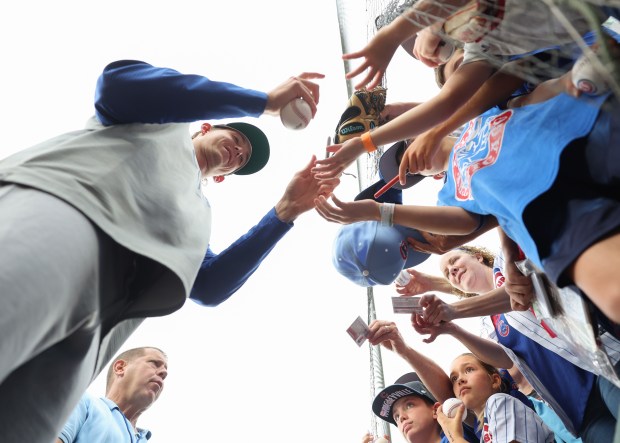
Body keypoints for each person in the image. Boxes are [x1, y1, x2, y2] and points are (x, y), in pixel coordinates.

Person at [0, 59, 331, 441]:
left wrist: (284, 212)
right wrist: (261, 103)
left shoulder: (197, 216)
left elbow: (208, 286)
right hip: (55, 224)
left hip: (94, 330)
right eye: (237, 139)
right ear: (206, 125)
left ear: (224, 176)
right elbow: (117, 84)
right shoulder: (162, 122)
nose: (239, 151)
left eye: (242, 157)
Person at [367, 321, 552, 442]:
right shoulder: (481, 428)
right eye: (454, 379)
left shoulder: (499, 403)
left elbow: (447, 396)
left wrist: (455, 436)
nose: (461, 380)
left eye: (469, 370)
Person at [56, 347, 168, 443]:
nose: (164, 373)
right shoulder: (84, 403)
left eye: (164, 376)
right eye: (154, 363)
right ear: (120, 368)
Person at [372, 372, 478, 443]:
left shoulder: (462, 429)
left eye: (409, 405)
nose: (401, 418)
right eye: (396, 416)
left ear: (436, 410)